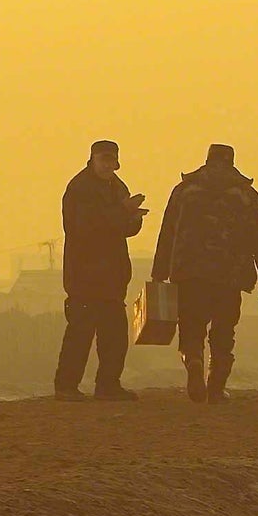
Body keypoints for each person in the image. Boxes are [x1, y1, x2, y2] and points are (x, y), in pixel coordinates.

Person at [152, 144, 258, 404]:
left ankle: (194, 361)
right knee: (223, 330)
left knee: (191, 325)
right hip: (229, 276)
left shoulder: (184, 192)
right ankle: (216, 386)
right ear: (231, 162)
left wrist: (159, 272)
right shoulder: (245, 195)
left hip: (189, 273)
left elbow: (167, 234)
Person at [54, 140, 148, 401]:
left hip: (112, 277)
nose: (108, 165)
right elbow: (83, 227)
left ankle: (108, 385)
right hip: (84, 275)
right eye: (104, 160)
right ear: (93, 159)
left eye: (111, 160)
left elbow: (121, 229)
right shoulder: (79, 189)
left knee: (115, 335)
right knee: (80, 334)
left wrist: (134, 219)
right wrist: (123, 211)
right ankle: (66, 387)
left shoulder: (118, 187)